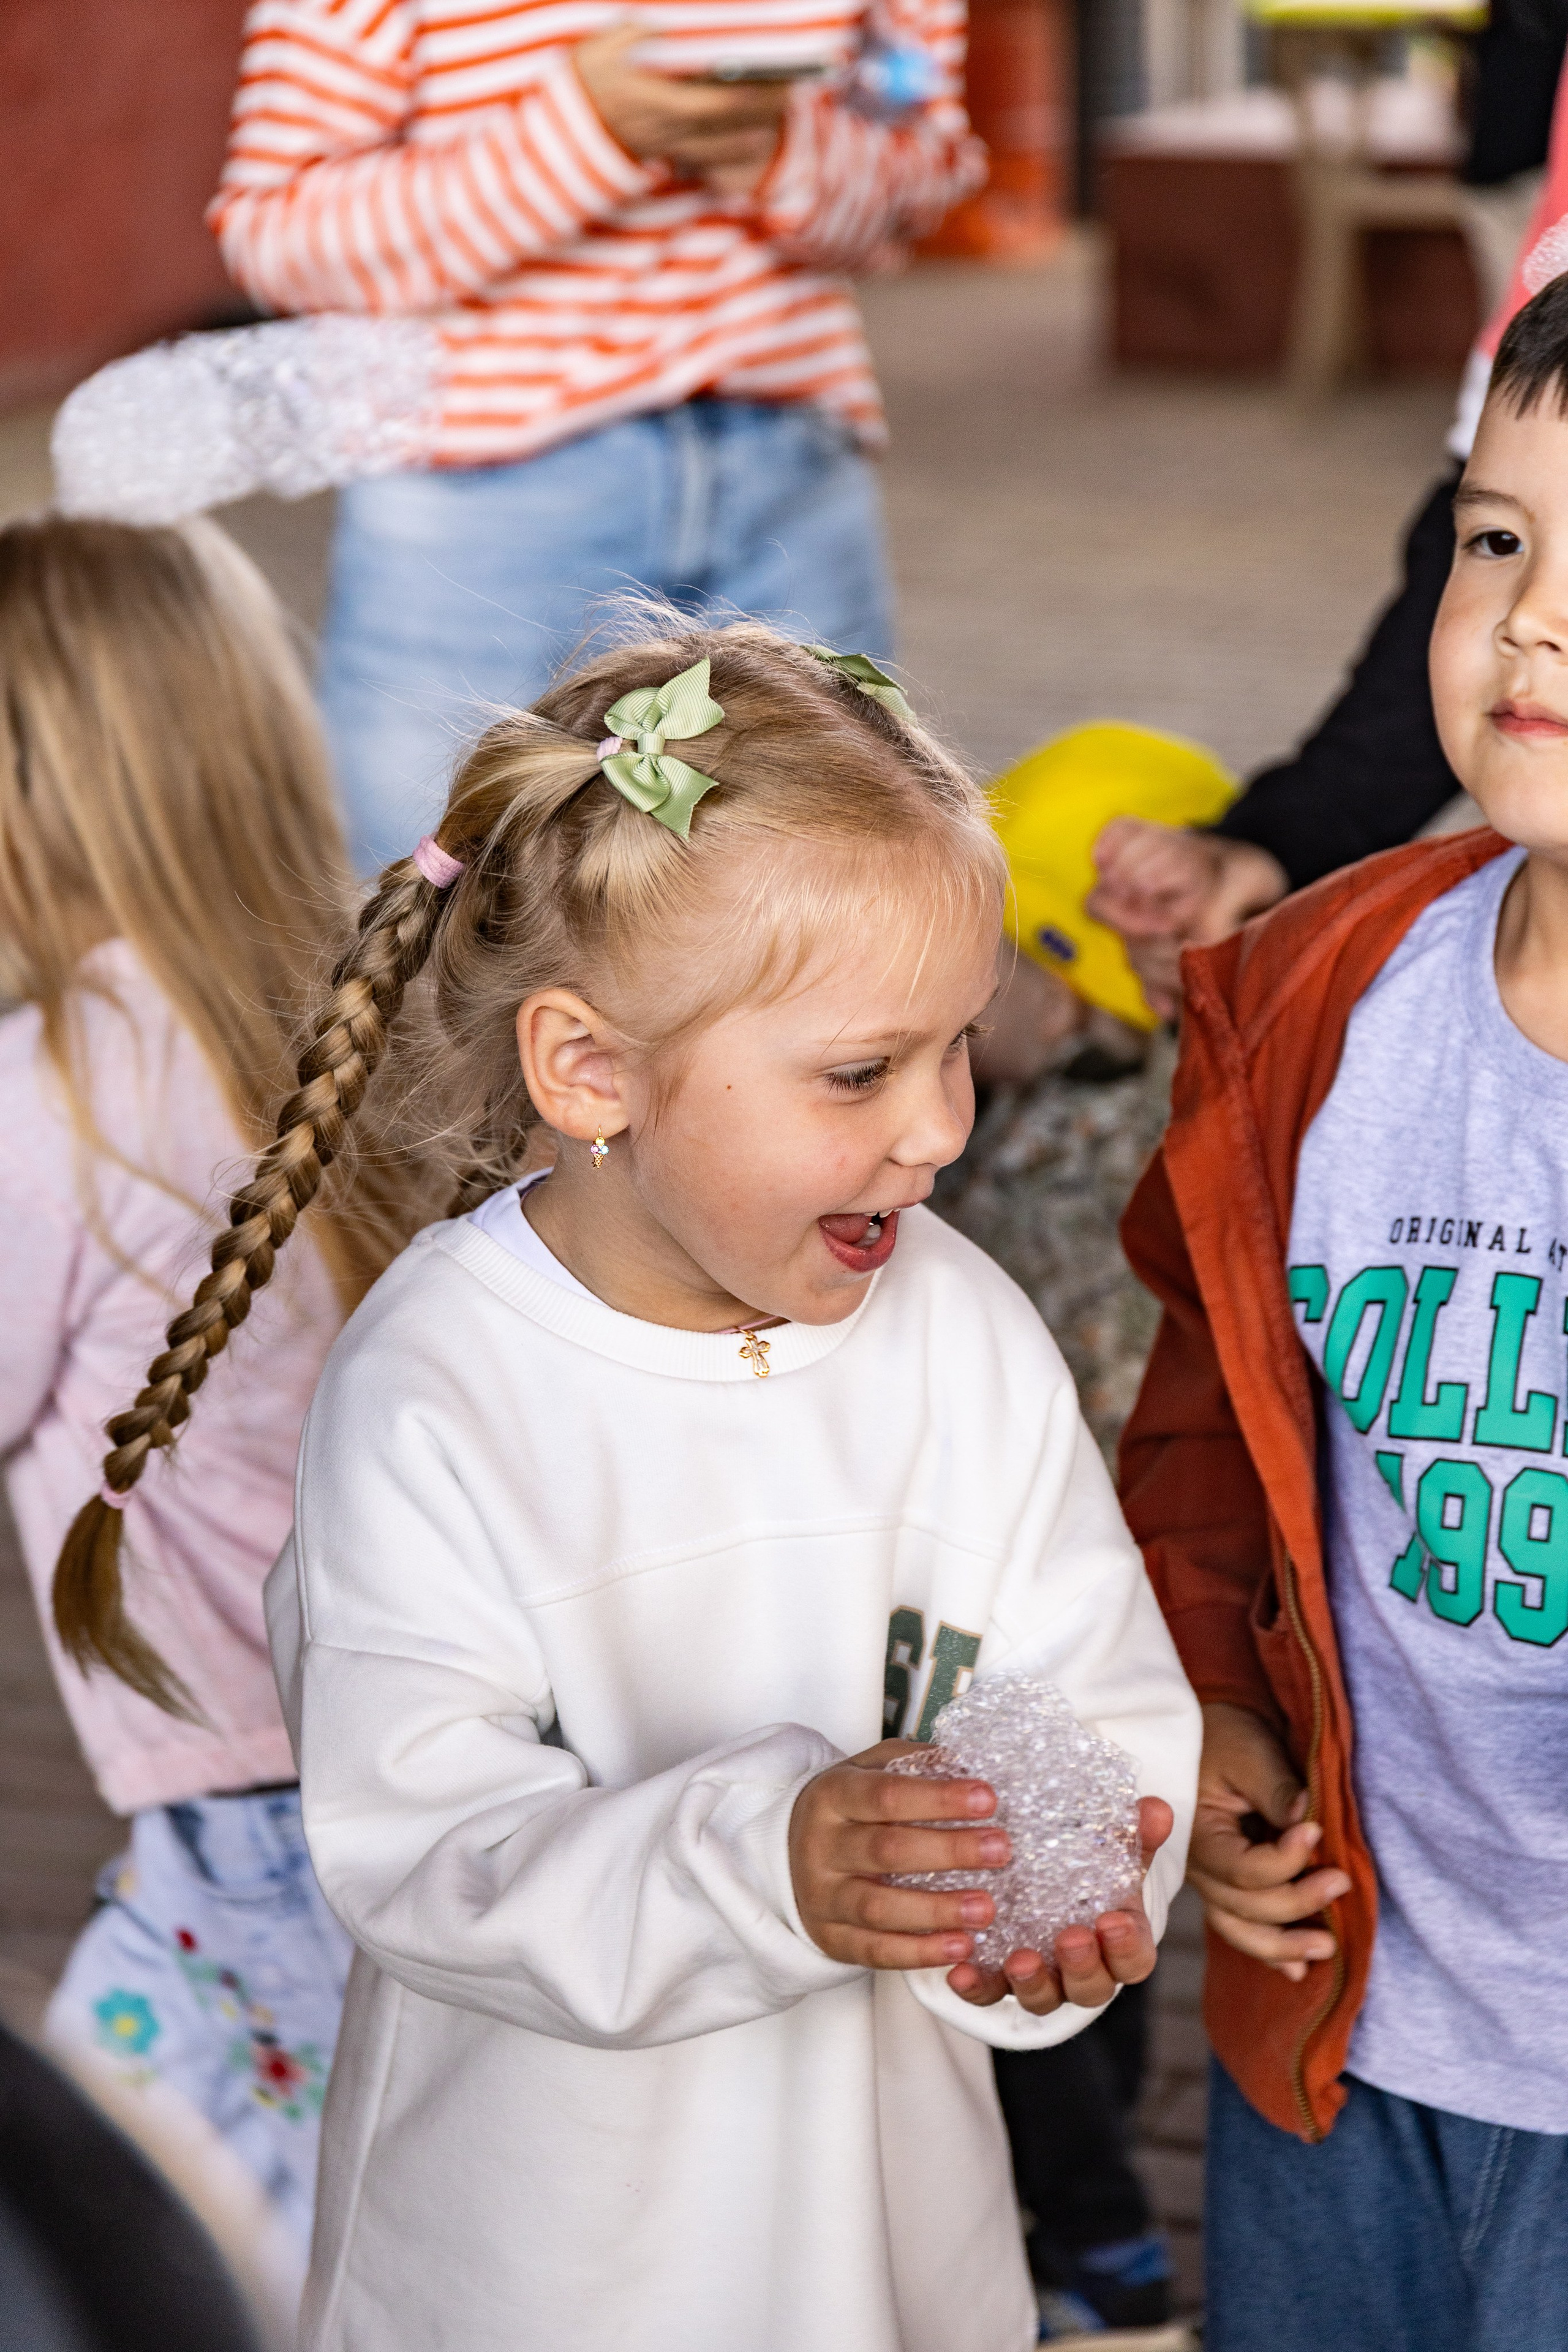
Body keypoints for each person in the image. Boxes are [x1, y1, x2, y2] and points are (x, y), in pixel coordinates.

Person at [83, 614, 1203, 2350]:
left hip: (888, 2251)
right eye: (860, 1072)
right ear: (590, 1069)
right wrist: (775, 1861)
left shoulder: (961, 1333)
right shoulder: (438, 1390)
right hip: (542, 2265)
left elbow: (1094, 1690)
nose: (940, 1130)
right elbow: (425, 1846)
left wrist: (1061, 1898)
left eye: (958, 1045)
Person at [1118, 272, 1568, 2351]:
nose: (1533, 618)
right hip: (1347, 2010)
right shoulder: (1318, 997)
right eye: (1498, 540)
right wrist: (1202, 1698)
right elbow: (1215, 1418)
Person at [0, 515, 414, 2291]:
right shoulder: (344, 1007)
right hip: (396, 1756)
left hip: (247, 1821)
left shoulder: (64, 1085)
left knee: (152, 2241)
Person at [208, 0, 984, 873]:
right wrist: (584, 133)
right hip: (479, 498)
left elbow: (926, 175)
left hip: (788, 468)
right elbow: (283, 240)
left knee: (845, 896)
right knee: (437, 931)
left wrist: (775, 151)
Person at [1084, 6, 1568, 1024]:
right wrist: (1279, 848)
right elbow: (1488, 517)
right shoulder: (1390, 1021)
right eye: (1498, 547)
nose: (1531, 614)